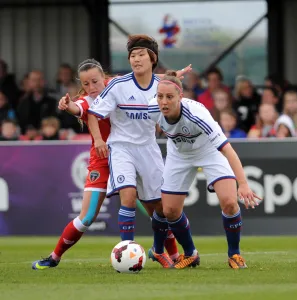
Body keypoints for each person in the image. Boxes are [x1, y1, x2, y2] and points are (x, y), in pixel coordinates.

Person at [31, 58, 188, 270]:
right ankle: (54, 257)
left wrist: (172, 76)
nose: (91, 87)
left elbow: (148, 79)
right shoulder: (88, 100)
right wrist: (68, 105)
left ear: (104, 78)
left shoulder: (116, 85)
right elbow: (78, 108)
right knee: (86, 217)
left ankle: (173, 255)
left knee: (158, 211)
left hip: (132, 154)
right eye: (86, 84)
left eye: (95, 81)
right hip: (102, 160)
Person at [87, 35, 190, 268]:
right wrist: (98, 140)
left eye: (141, 55)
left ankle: (158, 249)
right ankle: (127, 252)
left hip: (148, 147)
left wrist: (173, 79)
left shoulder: (160, 87)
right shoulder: (118, 85)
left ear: (152, 59)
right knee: (129, 197)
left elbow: (173, 107)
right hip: (121, 147)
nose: (136, 59)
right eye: (132, 56)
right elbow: (93, 114)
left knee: (161, 208)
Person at [147, 70, 262, 269]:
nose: (163, 102)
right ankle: (191, 253)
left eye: (169, 97)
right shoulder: (151, 109)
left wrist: (242, 184)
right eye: (160, 96)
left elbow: (229, 151)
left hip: (210, 151)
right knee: (170, 211)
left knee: (229, 202)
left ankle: (234, 255)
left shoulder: (196, 115)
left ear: (180, 97)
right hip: (179, 154)